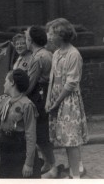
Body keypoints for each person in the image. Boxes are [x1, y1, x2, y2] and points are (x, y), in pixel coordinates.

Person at [0, 69, 41, 178]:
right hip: (7, 145)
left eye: (5, 80)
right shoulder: (7, 101)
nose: (4, 83)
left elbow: (31, 136)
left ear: (12, 83)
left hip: (20, 147)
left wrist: (29, 163)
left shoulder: (27, 105)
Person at [45, 18, 88, 179]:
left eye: (51, 33)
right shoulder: (56, 53)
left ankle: (75, 176)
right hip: (57, 99)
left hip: (68, 101)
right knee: (65, 136)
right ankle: (77, 166)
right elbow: (52, 78)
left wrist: (56, 102)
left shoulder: (73, 54)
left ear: (61, 35)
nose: (48, 37)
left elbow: (71, 84)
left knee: (71, 138)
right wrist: (49, 99)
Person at [24, 25, 57, 177]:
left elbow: (30, 84)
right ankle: (48, 162)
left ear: (31, 40)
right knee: (42, 131)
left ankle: (52, 163)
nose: (25, 41)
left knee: (40, 132)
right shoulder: (47, 53)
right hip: (46, 95)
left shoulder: (37, 58)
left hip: (39, 97)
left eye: (26, 38)